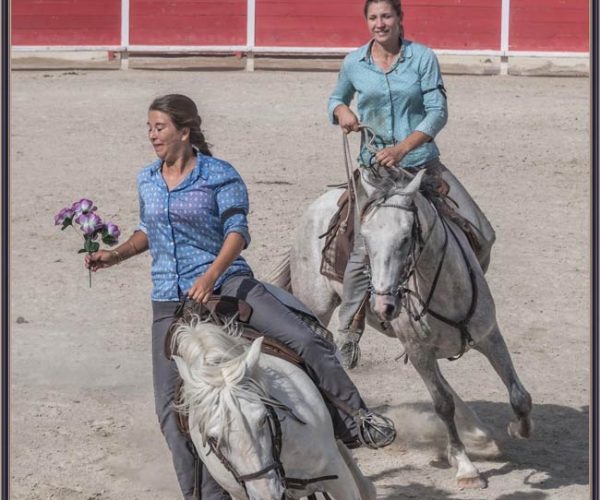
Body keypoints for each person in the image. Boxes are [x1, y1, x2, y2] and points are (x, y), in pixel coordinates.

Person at [85, 94, 396, 500]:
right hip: (169, 301)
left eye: (159, 127)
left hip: (228, 284)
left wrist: (211, 275)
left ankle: (357, 419)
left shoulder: (218, 174)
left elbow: (238, 232)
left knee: (303, 338)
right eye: (149, 128)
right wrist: (116, 255)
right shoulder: (148, 178)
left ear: (185, 130)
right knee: (168, 410)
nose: (152, 135)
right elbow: (149, 230)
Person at [328, 0, 496, 369]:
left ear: (400, 19)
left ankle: (461, 301)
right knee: (359, 248)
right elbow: (337, 98)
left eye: (386, 16)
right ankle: (349, 330)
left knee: (481, 232)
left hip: (420, 165)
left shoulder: (421, 58)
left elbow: (438, 111)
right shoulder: (354, 62)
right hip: (374, 172)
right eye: (373, 17)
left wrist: (404, 147)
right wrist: (342, 112)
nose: (379, 23)